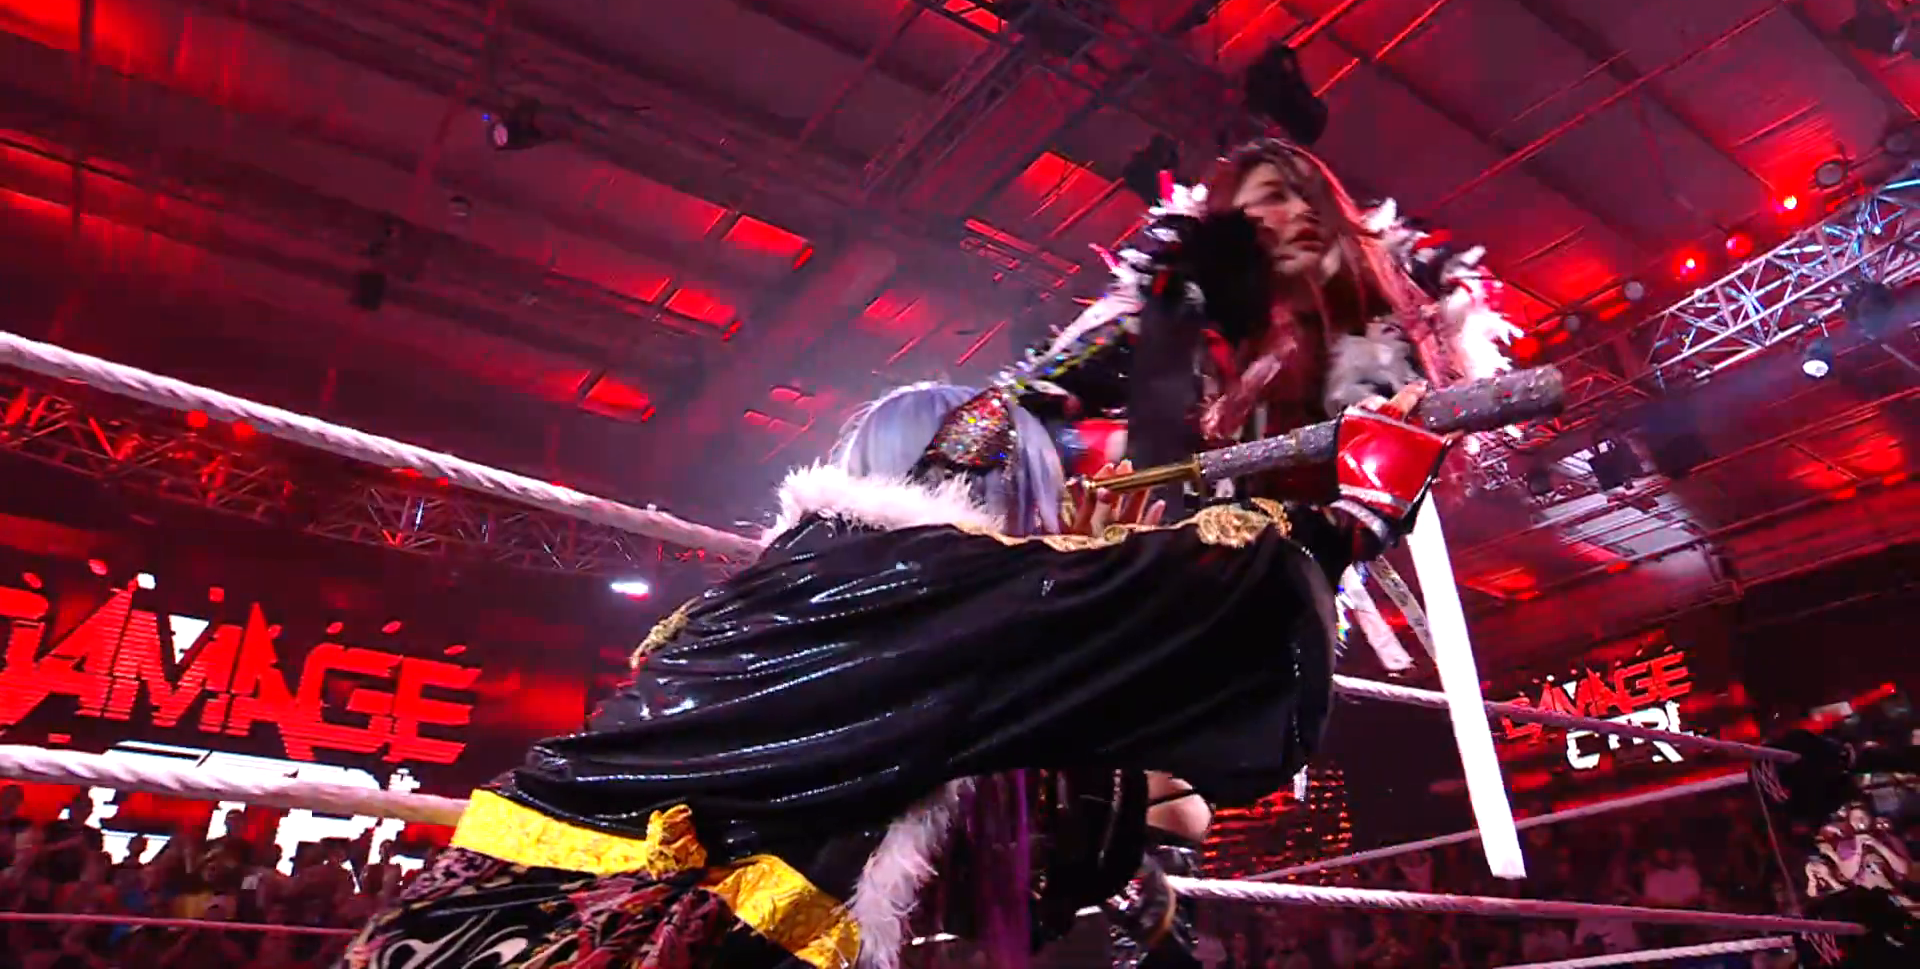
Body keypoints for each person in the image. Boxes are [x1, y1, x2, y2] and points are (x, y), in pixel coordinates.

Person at [342, 370, 1457, 969]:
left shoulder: (768, 588)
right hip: (597, 941)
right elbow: (1164, 593)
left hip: (461, 922)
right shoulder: (927, 583)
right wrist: (1353, 512)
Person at [1001, 137, 1520, 967]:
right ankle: (1127, 906)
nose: (1298, 213)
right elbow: (1026, 407)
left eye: (1306, 196)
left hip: (1257, 603)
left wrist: (1359, 498)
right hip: (1129, 584)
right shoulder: (1171, 317)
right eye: (1271, 197)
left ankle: (1125, 894)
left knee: (1142, 771)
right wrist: (1086, 442)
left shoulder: (1369, 336)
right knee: (1105, 794)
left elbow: (1362, 513)